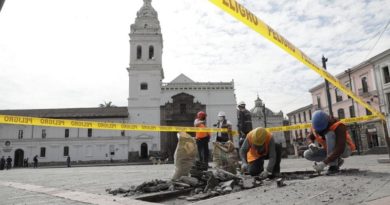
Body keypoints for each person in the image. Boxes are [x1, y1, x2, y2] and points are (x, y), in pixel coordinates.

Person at [304, 110, 356, 175]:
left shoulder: (339, 126)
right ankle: (338, 161)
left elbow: (340, 148)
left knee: (329, 134)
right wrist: (311, 144)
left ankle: (333, 166)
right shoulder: (315, 127)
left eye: (322, 129)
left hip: (345, 150)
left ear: (327, 122)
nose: (321, 132)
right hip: (330, 151)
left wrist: (324, 163)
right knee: (307, 154)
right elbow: (309, 137)